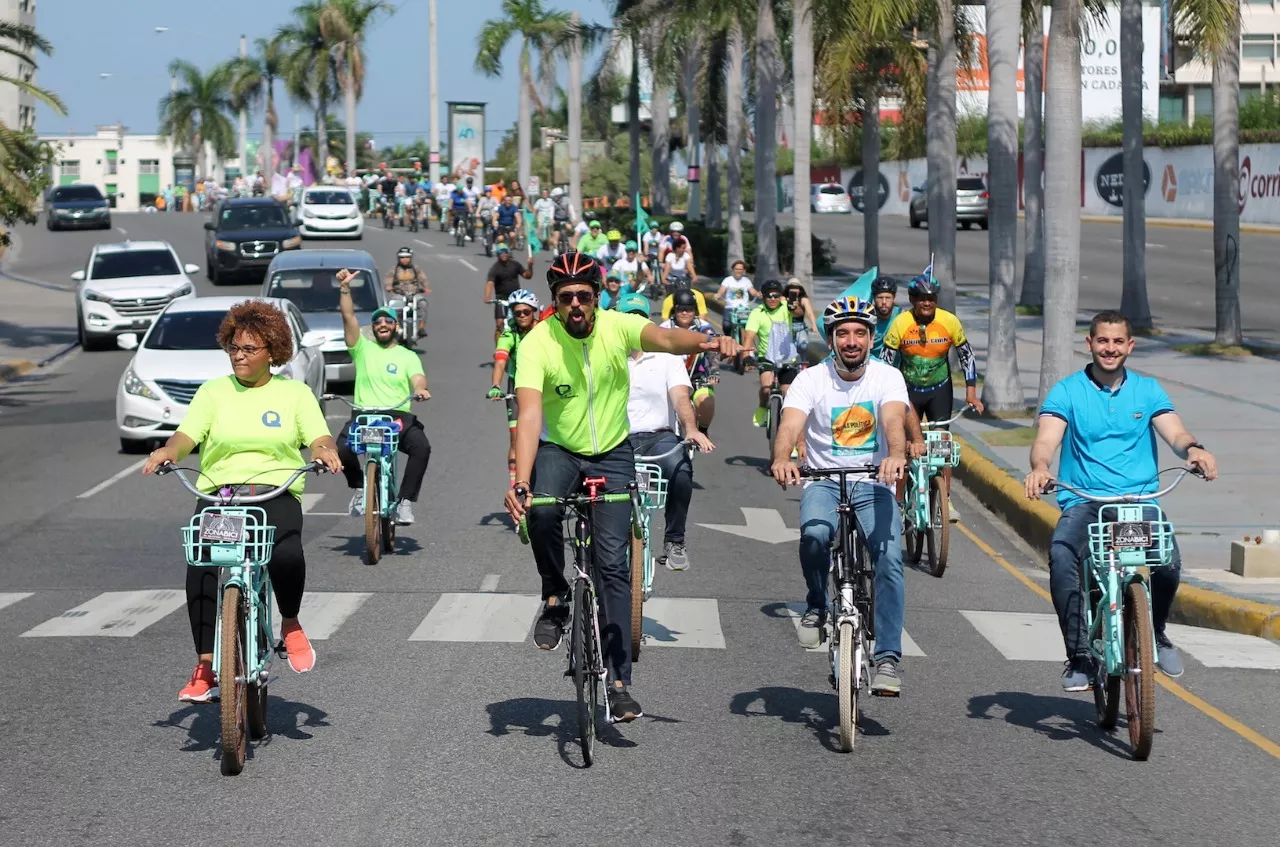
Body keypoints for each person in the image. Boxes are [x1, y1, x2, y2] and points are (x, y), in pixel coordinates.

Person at [503, 251, 741, 723]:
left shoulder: (617, 326)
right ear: (555, 299)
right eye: (566, 296)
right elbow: (530, 415)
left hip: (613, 451)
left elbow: (668, 337)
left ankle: (618, 682)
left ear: (597, 298)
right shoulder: (536, 343)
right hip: (560, 450)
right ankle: (555, 597)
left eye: (584, 296)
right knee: (544, 511)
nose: (576, 304)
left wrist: (709, 343)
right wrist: (522, 480)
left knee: (614, 567)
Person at [142, 300, 344, 701]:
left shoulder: (294, 394)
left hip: (275, 491)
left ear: (273, 351)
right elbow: (187, 435)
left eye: (250, 349)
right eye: (234, 347)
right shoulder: (213, 392)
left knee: (286, 555)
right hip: (222, 494)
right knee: (201, 561)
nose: (239, 355)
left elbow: (318, 435)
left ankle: (290, 623)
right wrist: (169, 451)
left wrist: (323, 449)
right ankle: (204, 664)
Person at [1023, 310, 1218, 691]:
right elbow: (1046, 440)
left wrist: (1194, 449)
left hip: (1137, 501)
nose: (1109, 349)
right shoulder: (1067, 391)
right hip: (1085, 502)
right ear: (1090, 343)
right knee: (1063, 556)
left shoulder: (1147, 390)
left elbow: (1174, 432)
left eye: (1117, 342)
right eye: (1102, 341)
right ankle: (1079, 656)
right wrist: (1041, 467)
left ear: (1129, 346)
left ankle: (1156, 633)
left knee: (1168, 563)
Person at [770, 296, 910, 695]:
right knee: (814, 535)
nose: (852, 341)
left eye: (860, 333)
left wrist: (896, 455)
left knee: (890, 561)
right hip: (824, 480)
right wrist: (782, 457)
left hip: (873, 481)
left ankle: (886, 659)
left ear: (870, 339)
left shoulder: (887, 377)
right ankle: (816, 604)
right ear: (831, 339)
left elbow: (891, 419)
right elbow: (790, 423)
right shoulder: (810, 379)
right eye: (843, 333)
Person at [618, 292, 716, 570]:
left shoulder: (667, 357)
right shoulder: (606, 354)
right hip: (615, 439)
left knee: (682, 469)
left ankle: (675, 540)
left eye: (638, 319)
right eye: (627, 318)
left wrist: (692, 429)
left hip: (658, 438)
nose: (633, 325)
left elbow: (680, 398)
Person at [334, 269, 432, 525]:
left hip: (397, 417)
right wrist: (345, 288)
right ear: (373, 328)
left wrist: (420, 389)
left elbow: (418, 379)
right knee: (342, 448)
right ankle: (359, 488)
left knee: (422, 447)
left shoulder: (407, 356)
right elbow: (348, 316)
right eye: (378, 322)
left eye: (388, 321)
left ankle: (405, 502)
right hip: (365, 416)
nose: (383, 325)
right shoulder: (362, 349)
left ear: (396, 326)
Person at [880, 274, 984, 421]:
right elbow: (885, 363)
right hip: (909, 390)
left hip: (940, 390)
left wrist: (971, 393)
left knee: (941, 439)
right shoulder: (900, 323)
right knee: (912, 440)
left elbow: (967, 356)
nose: (927, 303)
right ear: (912, 300)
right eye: (922, 299)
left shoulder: (949, 321)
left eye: (931, 299)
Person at [488, 289, 543, 485]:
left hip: (544, 385)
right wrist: (496, 384)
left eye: (526, 312)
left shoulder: (543, 330)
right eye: (517, 312)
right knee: (516, 439)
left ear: (534, 311)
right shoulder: (509, 333)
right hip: (517, 385)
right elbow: (501, 361)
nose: (521, 316)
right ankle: (516, 489)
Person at [660, 288, 720, 434]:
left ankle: (703, 430)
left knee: (707, 402)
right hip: (671, 377)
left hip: (697, 376)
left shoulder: (704, 327)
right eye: (681, 309)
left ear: (695, 311)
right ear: (675, 310)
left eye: (689, 309)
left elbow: (714, 348)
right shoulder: (664, 328)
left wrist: (714, 372)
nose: (685, 313)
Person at [743, 280, 801, 428]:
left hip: (788, 358)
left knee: (788, 394)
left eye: (776, 296)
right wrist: (746, 356)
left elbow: (798, 312)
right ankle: (762, 407)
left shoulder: (786, 308)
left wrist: (795, 307)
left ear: (781, 296)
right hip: (766, 357)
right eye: (769, 296)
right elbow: (749, 336)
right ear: (763, 296)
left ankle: (790, 430)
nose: (773, 299)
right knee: (766, 388)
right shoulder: (757, 313)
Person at [483, 245, 535, 340]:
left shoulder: (515, 264)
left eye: (505, 252)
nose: (503, 254)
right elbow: (490, 283)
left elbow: (527, 275)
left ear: (508, 253)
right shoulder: (495, 268)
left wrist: (530, 266)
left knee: (523, 322)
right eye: (500, 252)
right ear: (498, 254)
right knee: (499, 324)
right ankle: (499, 350)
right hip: (501, 300)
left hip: (516, 300)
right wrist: (487, 296)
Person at [384, 247, 432, 339]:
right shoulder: (394, 270)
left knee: (423, 304)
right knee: (395, 308)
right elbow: (388, 279)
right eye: (402, 257)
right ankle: (397, 327)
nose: (405, 260)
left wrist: (426, 287)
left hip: (414, 293)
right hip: (399, 294)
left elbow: (423, 278)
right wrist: (389, 286)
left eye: (407, 257)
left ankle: (421, 328)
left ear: (411, 258)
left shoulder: (415, 269)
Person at [869, 275, 902, 360]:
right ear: (874, 298)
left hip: (896, 368)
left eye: (888, 298)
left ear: (894, 298)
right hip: (871, 366)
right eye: (880, 298)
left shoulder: (902, 316)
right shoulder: (867, 317)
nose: (884, 302)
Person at [549, 187, 575, 252]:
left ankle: (570, 243)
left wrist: (574, 218)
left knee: (570, 228)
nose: (554, 198)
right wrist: (551, 219)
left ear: (559, 196)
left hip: (566, 219)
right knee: (556, 237)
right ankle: (555, 250)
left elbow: (571, 209)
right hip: (557, 220)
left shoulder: (567, 200)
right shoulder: (553, 202)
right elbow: (551, 211)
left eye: (555, 196)